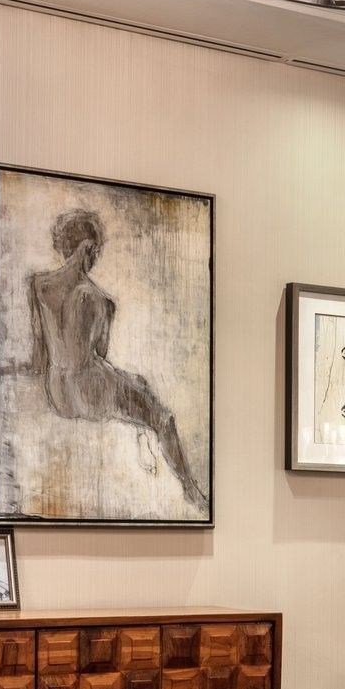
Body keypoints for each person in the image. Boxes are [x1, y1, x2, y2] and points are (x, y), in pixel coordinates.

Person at [25, 207, 208, 515]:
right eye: (95, 251)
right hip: (88, 390)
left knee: (136, 386)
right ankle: (191, 490)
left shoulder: (38, 287)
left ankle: (146, 435)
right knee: (161, 416)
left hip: (57, 392)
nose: (95, 258)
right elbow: (98, 353)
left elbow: (38, 356)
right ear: (85, 248)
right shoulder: (99, 300)